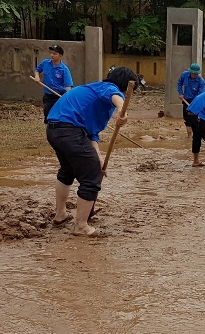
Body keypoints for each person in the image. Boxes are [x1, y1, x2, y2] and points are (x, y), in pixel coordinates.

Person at [46, 66, 140, 236]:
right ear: (126, 88)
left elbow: (92, 134)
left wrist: (98, 157)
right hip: (69, 130)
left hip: (55, 130)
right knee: (92, 177)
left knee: (68, 171)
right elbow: (116, 97)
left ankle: (61, 215)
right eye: (128, 94)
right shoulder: (108, 88)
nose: (128, 97)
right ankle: (81, 226)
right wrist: (121, 109)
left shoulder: (95, 93)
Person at [34, 45, 74, 122]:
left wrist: (67, 98)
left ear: (60, 56)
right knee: (48, 115)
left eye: (55, 54)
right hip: (48, 96)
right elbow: (37, 70)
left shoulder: (64, 69)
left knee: (59, 116)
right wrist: (37, 76)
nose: (52, 55)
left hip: (59, 96)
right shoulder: (45, 63)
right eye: (51, 53)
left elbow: (68, 86)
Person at [177, 63, 205, 137]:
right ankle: (189, 135)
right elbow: (179, 83)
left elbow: (201, 95)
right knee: (187, 118)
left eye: (196, 74)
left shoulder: (201, 81)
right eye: (194, 74)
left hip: (195, 101)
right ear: (190, 72)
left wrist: (195, 105)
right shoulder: (184, 75)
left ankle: (196, 134)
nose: (195, 76)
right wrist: (181, 93)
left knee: (195, 118)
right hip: (186, 99)